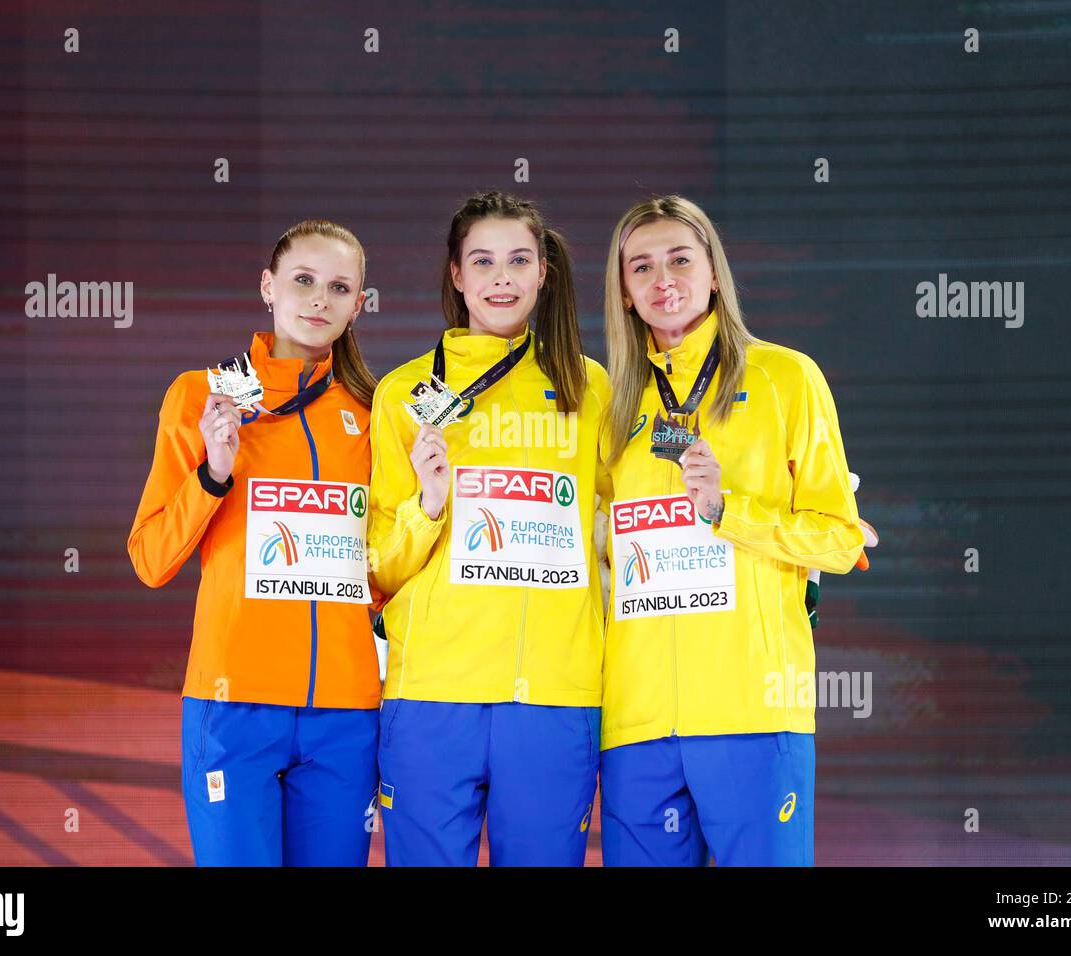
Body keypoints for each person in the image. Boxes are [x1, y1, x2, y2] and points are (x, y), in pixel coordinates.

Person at [597, 195, 866, 866]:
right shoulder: (610, 405)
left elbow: (840, 539)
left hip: (752, 712)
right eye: (642, 268)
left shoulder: (785, 377)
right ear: (624, 293)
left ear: (715, 272)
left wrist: (728, 511)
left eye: (681, 260)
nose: (664, 281)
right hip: (635, 724)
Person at [127, 219, 382, 866]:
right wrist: (214, 473)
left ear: (358, 304)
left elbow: (384, 568)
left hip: (347, 712)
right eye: (303, 280)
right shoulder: (201, 395)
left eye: (338, 287)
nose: (319, 299)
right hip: (233, 702)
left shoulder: (379, 413)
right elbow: (152, 559)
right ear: (268, 287)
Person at [367, 190, 610, 866]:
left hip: (555, 694)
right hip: (431, 694)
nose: (501, 278)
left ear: (543, 273)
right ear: (456, 275)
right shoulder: (404, 394)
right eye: (483, 261)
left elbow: (634, 528)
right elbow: (378, 566)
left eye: (518, 261)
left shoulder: (591, 392)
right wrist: (430, 506)